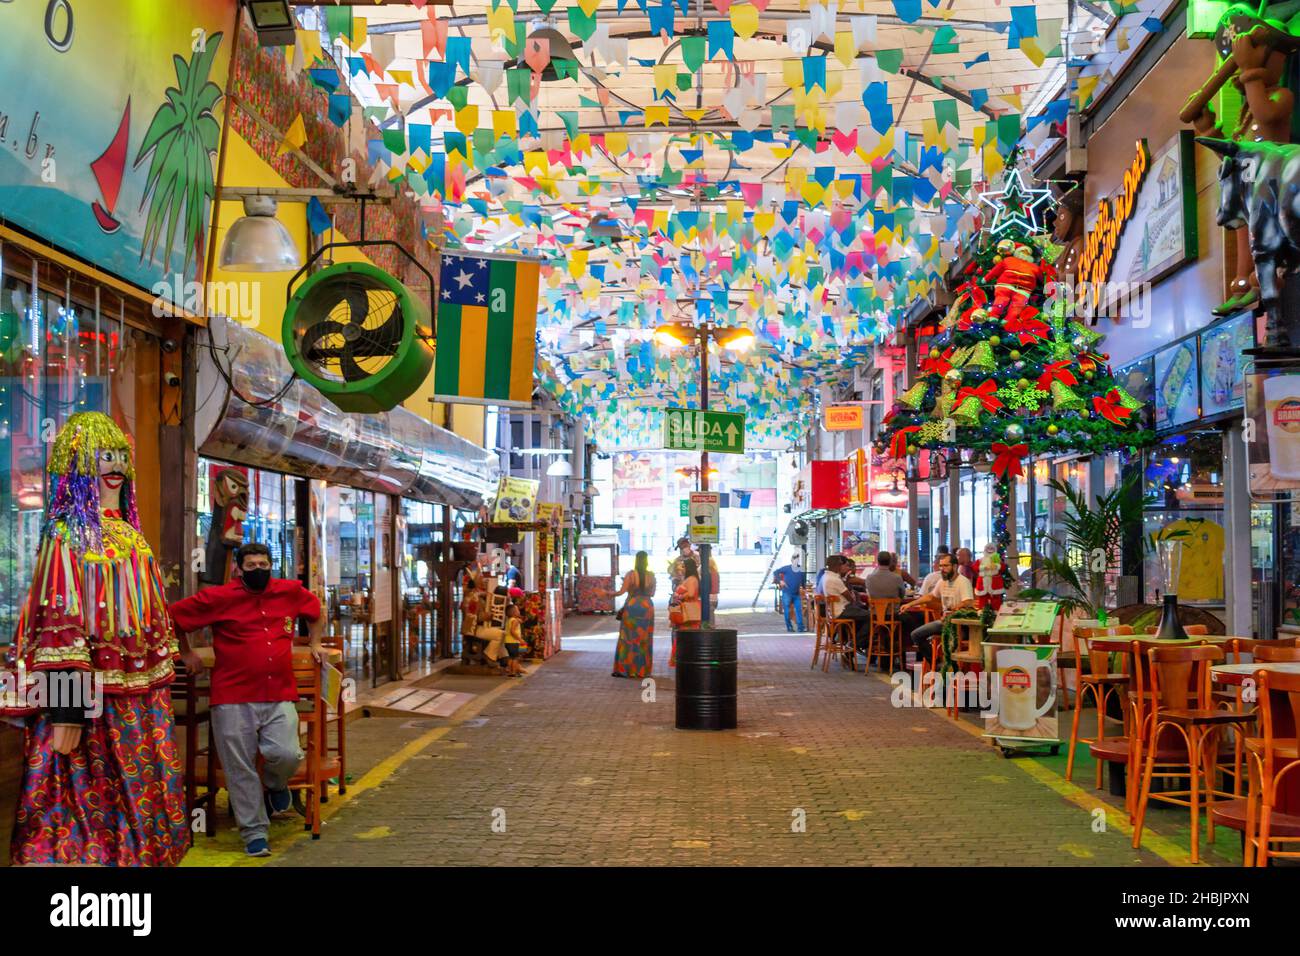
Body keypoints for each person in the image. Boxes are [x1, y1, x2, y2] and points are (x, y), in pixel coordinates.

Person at [4, 412, 189, 866]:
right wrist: (67, 708)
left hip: (138, 705)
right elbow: (58, 622)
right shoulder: (66, 535)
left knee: (137, 801)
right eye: (102, 456)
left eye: (120, 456)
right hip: (88, 706)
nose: (115, 465)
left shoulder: (131, 537)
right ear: (77, 466)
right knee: (80, 808)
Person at [171, 542, 326, 858]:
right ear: (238, 569)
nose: (259, 570)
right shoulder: (219, 597)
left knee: (288, 754)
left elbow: (315, 610)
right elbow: (173, 616)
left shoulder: (289, 591)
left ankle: (275, 784)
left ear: (272, 565)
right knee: (239, 768)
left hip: (279, 693)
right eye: (251, 566)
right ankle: (255, 834)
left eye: (263, 564)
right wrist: (185, 653)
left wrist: (316, 643)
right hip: (232, 696)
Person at [900, 552, 976, 667]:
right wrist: (910, 604)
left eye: (946, 566)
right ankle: (936, 664)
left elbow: (968, 601)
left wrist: (955, 608)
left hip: (960, 625)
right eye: (941, 566)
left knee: (950, 643)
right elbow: (930, 596)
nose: (942, 569)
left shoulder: (963, 581)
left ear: (954, 567)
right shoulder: (942, 581)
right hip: (944, 622)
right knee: (915, 635)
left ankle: (950, 669)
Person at [612, 551, 656, 678]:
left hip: (632, 606)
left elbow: (621, 592)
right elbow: (652, 593)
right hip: (647, 606)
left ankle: (625, 669)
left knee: (628, 639)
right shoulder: (651, 576)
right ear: (646, 561)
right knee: (644, 639)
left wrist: (608, 593)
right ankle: (642, 670)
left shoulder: (631, 575)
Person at [822, 555, 871, 652]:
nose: (844, 567)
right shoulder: (835, 580)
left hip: (835, 611)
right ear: (837, 566)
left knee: (862, 616)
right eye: (842, 564)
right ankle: (855, 643)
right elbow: (851, 598)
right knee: (872, 616)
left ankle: (853, 642)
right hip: (842, 611)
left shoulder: (827, 576)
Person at [670, 557, 702, 667]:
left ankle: (686, 658)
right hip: (688, 610)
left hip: (689, 611)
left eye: (683, 566)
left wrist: (679, 596)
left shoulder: (692, 579)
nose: (682, 568)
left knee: (686, 636)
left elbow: (692, 594)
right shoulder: (690, 579)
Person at [773, 554, 806, 633]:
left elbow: (803, 581)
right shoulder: (787, 568)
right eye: (795, 559)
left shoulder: (801, 569)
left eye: (797, 559)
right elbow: (775, 572)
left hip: (796, 593)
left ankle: (800, 627)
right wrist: (780, 580)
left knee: (798, 610)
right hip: (787, 593)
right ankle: (789, 627)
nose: (796, 561)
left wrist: (804, 589)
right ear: (792, 560)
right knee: (787, 611)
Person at [503, 604, 526, 677]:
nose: (519, 611)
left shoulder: (509, 620)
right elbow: (512, 631)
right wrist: (520, 639)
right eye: (517, 610)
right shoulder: (515, 621)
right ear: (514, 613)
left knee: (511, 657)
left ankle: (510, 671)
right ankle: (514, 672)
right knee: (516, 658)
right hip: (514, 642)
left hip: (507, 642)